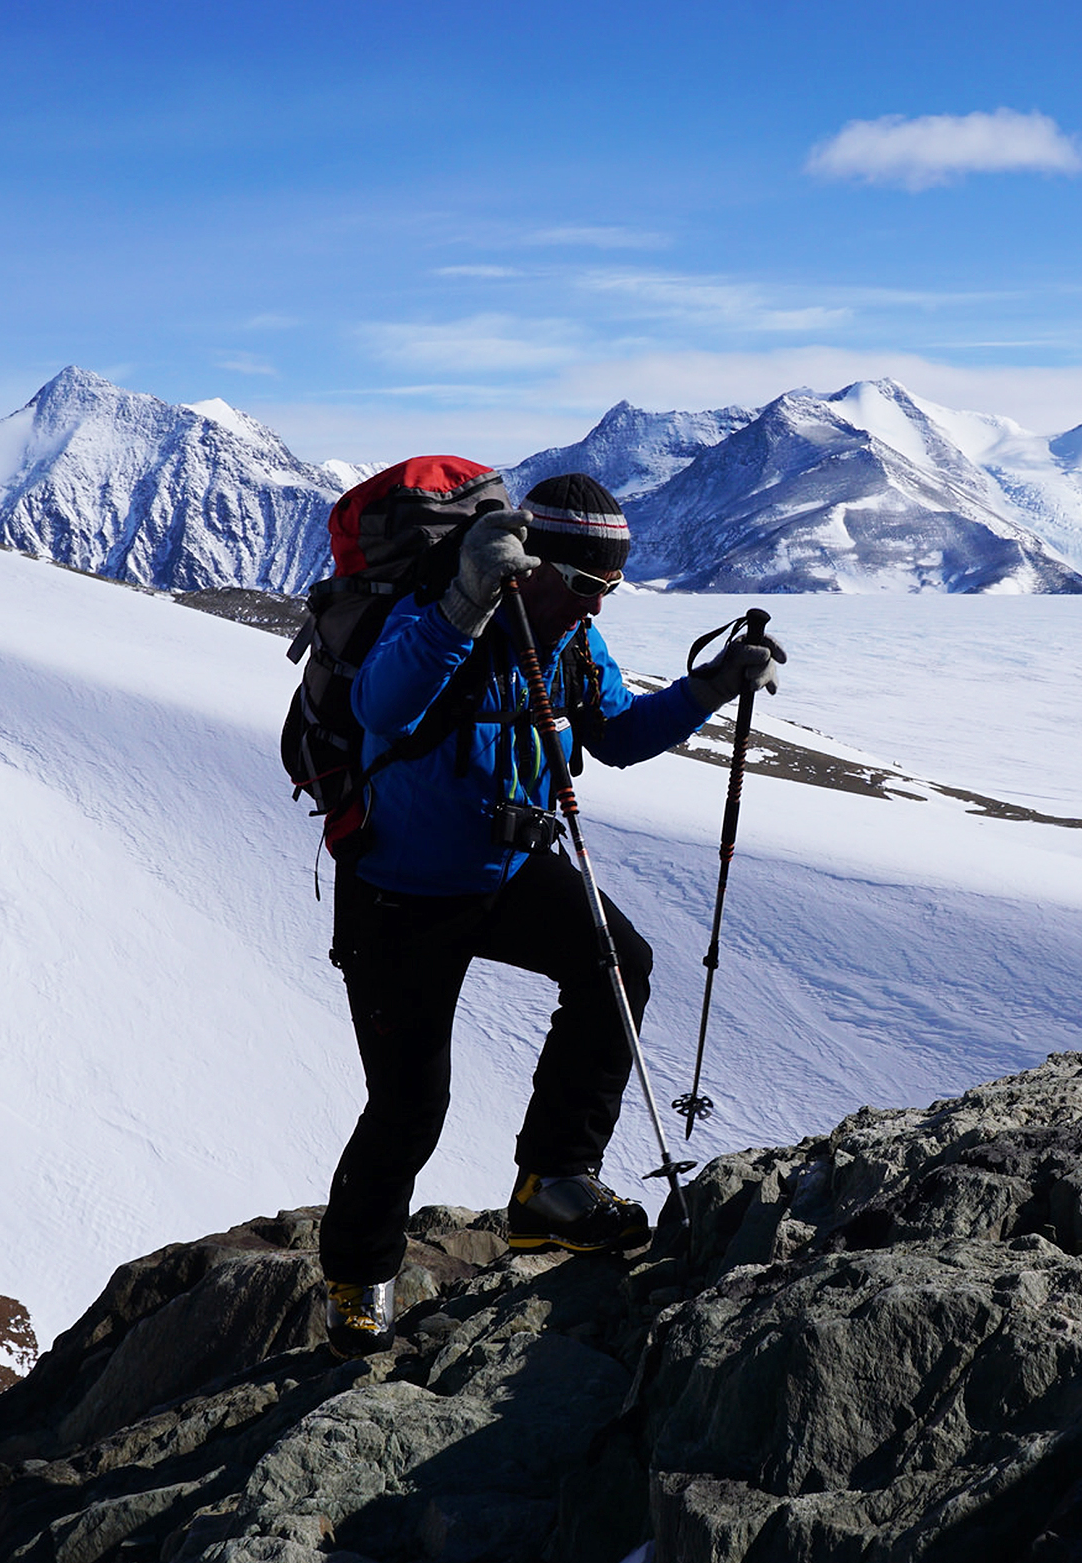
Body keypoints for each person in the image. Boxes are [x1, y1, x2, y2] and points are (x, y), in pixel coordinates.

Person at [319, 472, 785, 1355]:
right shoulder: (440, 614)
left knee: (619, 964)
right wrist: (464, 599)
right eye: (583, 584)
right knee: (412, 1102)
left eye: (609, 590)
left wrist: (717, 683)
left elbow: (615, 735)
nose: (595, 605)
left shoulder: (572, 640)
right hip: (398, 894)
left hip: (507, 870)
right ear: (531, 561)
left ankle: (554, 1181)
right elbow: (381, 703)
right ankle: (357, 1273)